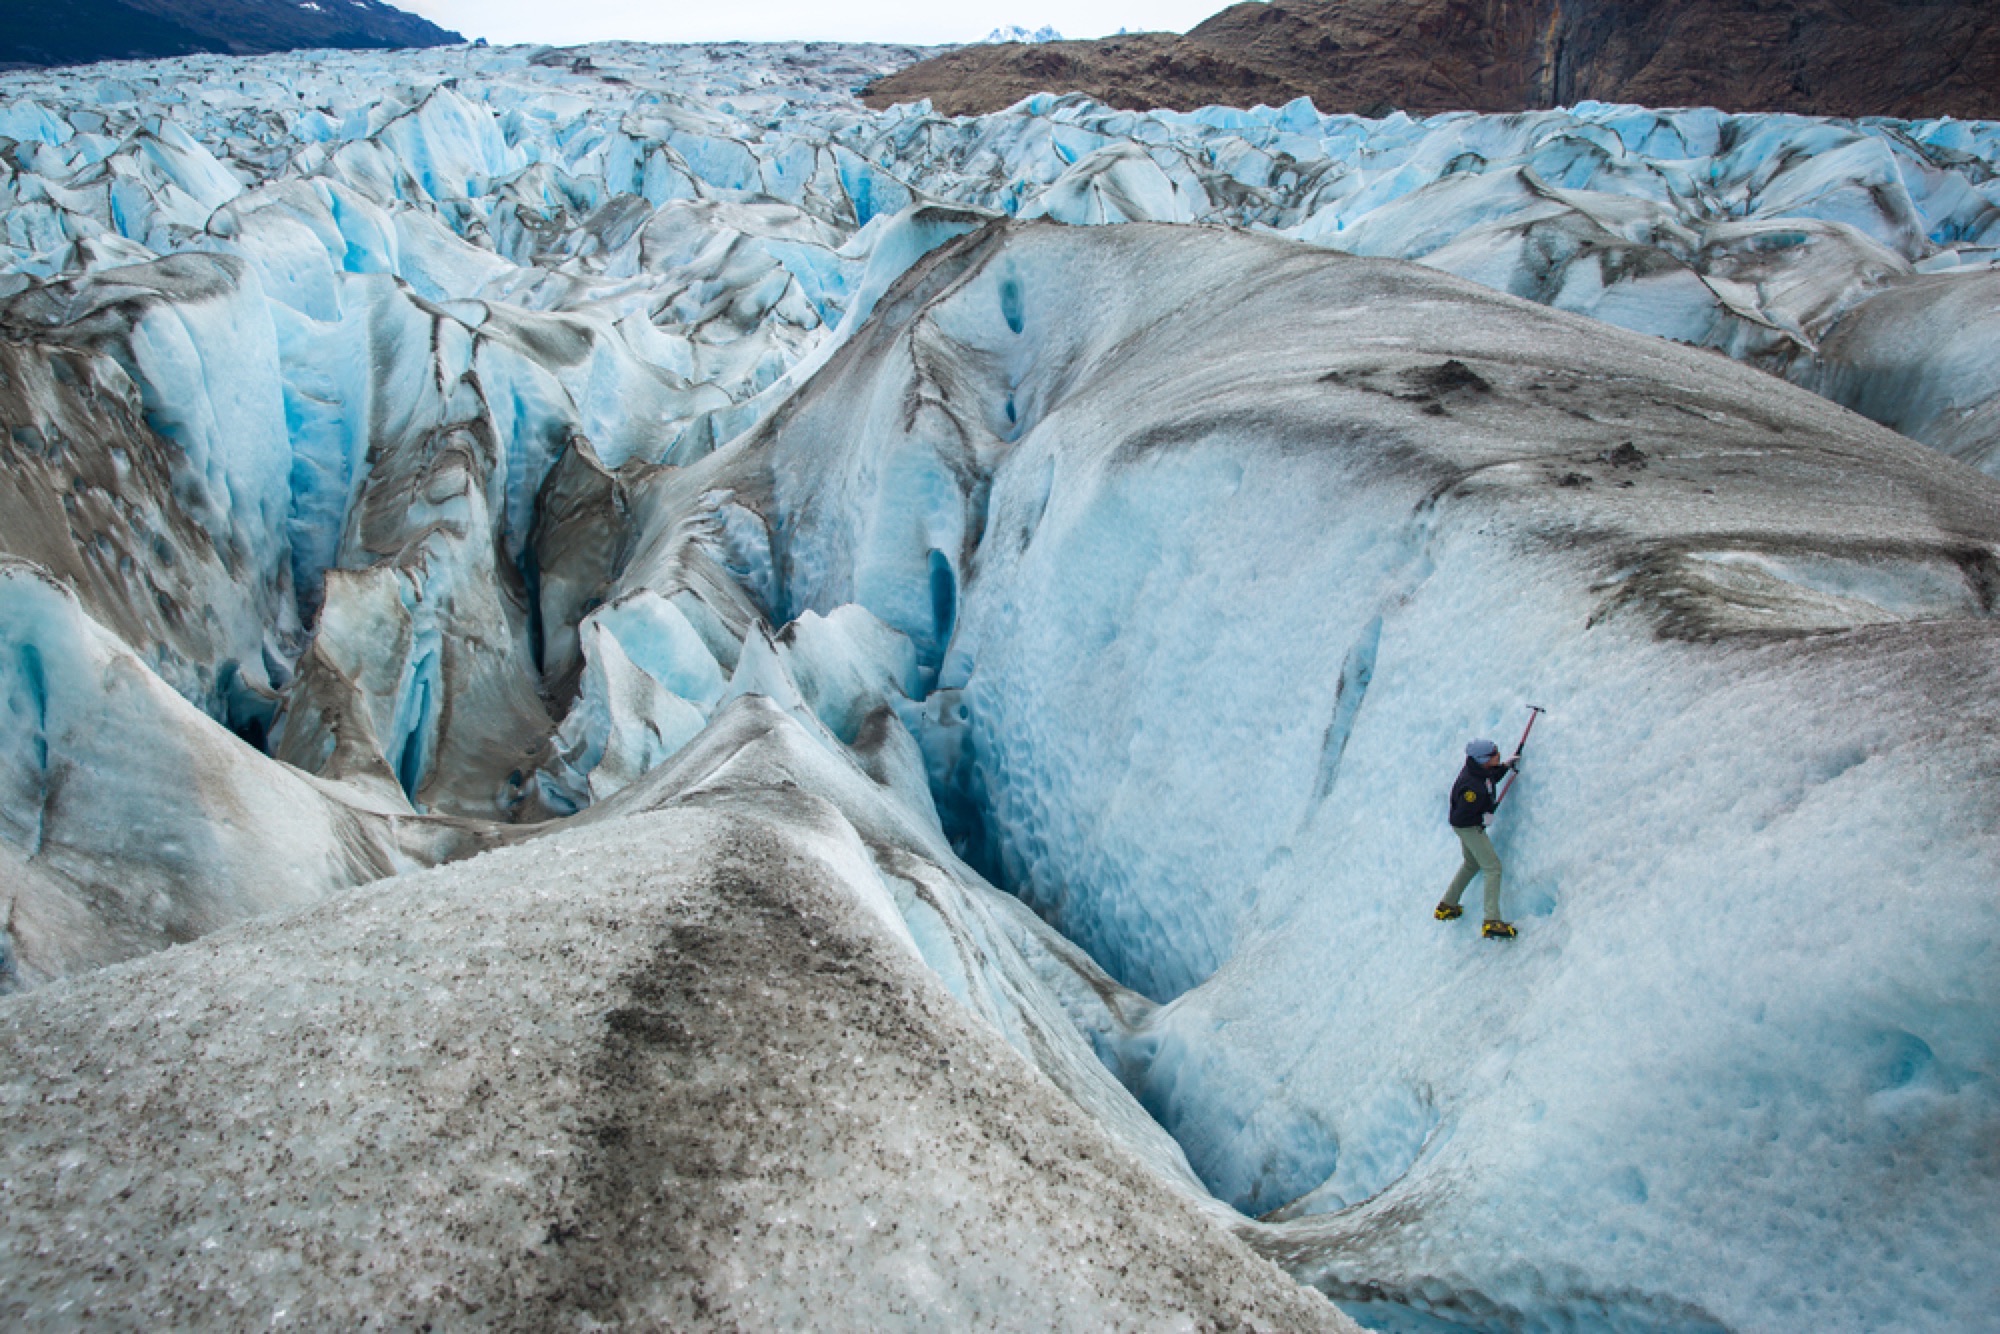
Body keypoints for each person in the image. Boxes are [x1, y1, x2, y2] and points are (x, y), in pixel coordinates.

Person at [1435, 738, 1519, 938]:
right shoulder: (1471, 787)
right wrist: (1483, 818)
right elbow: (1464, 813)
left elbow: (1490, 778)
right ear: (1483, 759)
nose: (1498, 754)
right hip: (1468, 828)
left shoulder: (1479, 771)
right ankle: (1491, 921)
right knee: (1493, 867)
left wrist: (1505, 766)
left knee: (1471, 864)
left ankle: (1447, 905)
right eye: (1494, 754)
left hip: (1465, 826)